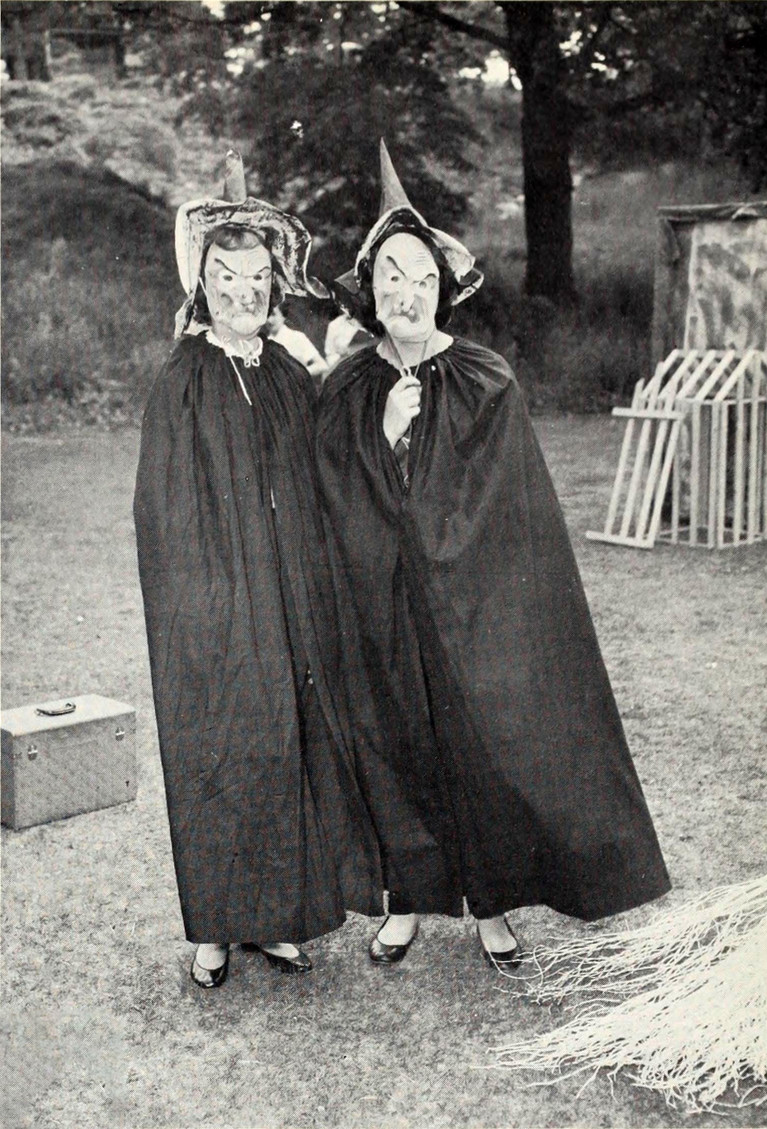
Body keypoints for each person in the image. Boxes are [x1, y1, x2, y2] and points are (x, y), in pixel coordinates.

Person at [316, 142, 671, 969]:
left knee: (482, 743)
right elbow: (331, 495)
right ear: (370, 290)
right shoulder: (350, 384)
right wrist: (384, 435)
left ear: (443, 289)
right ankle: (406, 901)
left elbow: (511, 513)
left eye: (422, 278)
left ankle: (494, 905)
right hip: (382, 605)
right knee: (397, 741)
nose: (407, 292)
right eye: (392, 276)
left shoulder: (485, 378)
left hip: (473, 606)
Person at [134, 151, 382, 989]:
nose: (243, 293)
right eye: (226, 279)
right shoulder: (182, 381)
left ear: (274, 286)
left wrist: (348, 372)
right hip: (213, 604)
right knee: (216, 744)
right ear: (201, 287)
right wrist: (205, 600)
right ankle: (214, 927)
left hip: (290, 599)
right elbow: (161, 508)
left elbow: (329, 466)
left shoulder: (285, 372)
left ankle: (276, 919)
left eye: (256, 279)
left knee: (286, 743)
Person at [265, 304, 328, 382]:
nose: (269, 320)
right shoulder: (265, 342)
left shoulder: (297, 337)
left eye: (273, 314)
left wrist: (299, 372)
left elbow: (322, 365)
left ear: (283, 316)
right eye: (267, 315)